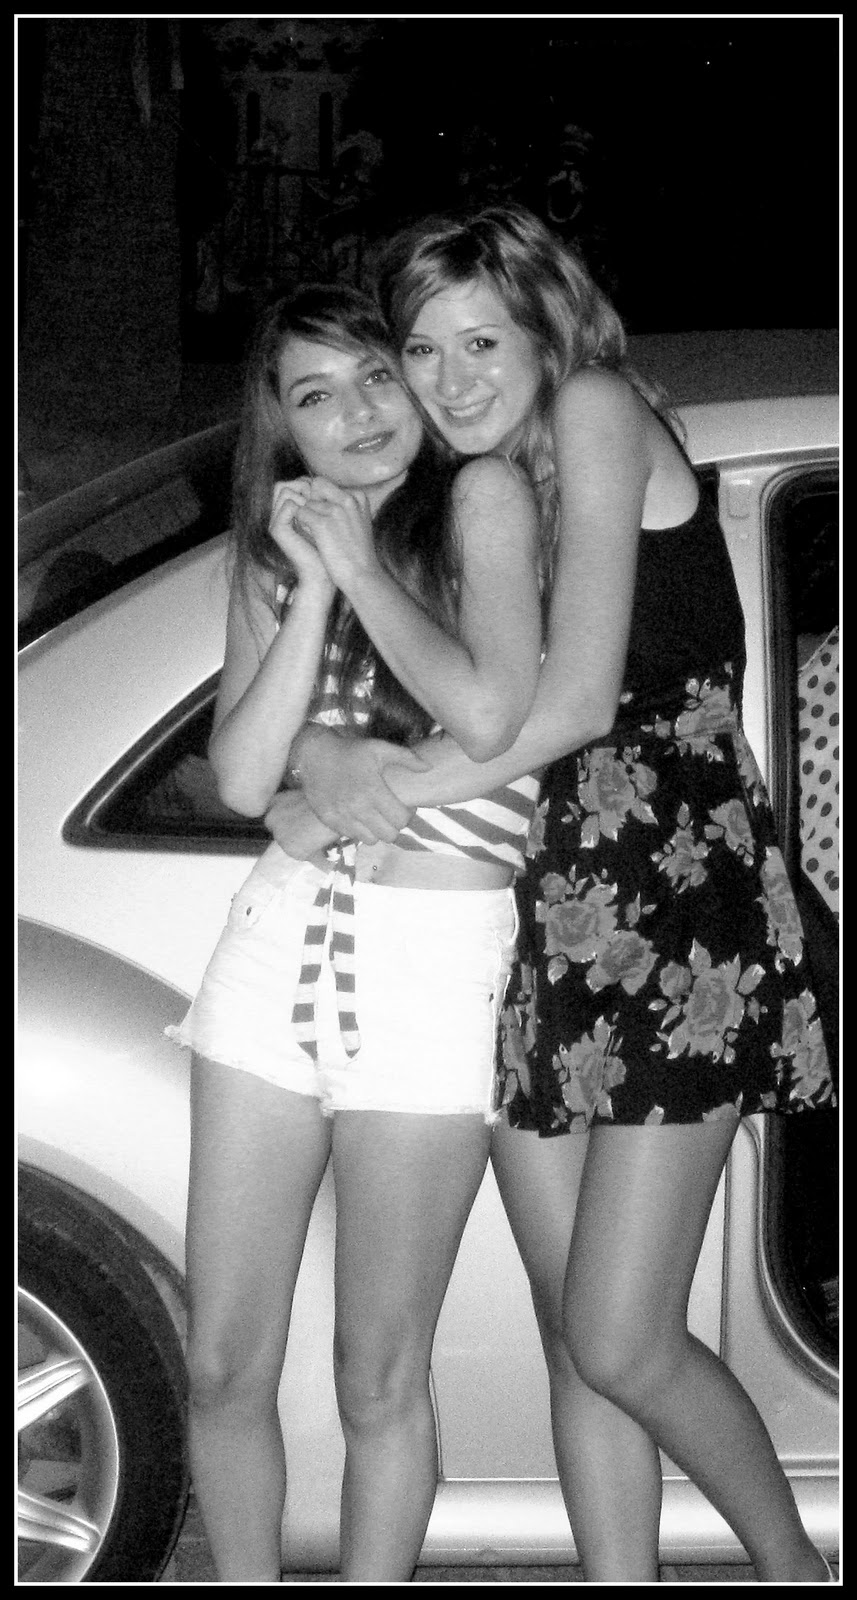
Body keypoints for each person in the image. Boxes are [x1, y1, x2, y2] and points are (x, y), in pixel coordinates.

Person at [268, 207, 836, 1583]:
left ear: (544, 331)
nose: (453, 377)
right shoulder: (485, 488)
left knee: (620, 1337)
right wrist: (326, 759)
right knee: (573, 1331)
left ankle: (799, 1573)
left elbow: (574, 704)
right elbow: (432, 696)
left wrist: (366, 789)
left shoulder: (592, 408)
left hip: (677, 909)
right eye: (423, 349)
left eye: (482, 341)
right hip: (546, 911)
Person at [166, 283, 542, 1582]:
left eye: (377, 373)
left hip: (429, 974)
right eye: (314, 395)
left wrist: (364, 579)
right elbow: (239, 776)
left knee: (377, 1371)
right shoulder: (276, 556)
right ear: (283, 428)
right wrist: (316, 590)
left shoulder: (483, 506)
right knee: (224, 1360)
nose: (358, 412)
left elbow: (491, 716)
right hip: (276, 948)